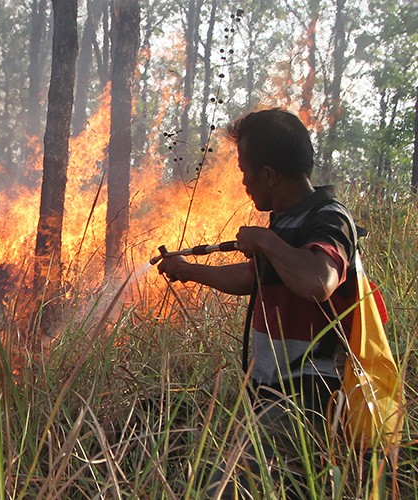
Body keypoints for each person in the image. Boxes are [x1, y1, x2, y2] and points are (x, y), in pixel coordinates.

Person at [157, 108, 360, 497]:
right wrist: (187, 270)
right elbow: (255, 278)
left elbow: (319, 281)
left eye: (244, 171)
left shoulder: (329, 219)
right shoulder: (285, 220)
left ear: (268, 174)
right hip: (272, 392)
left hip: (310, 394)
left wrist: (265, 241)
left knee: (224, 488)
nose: (244, 182)